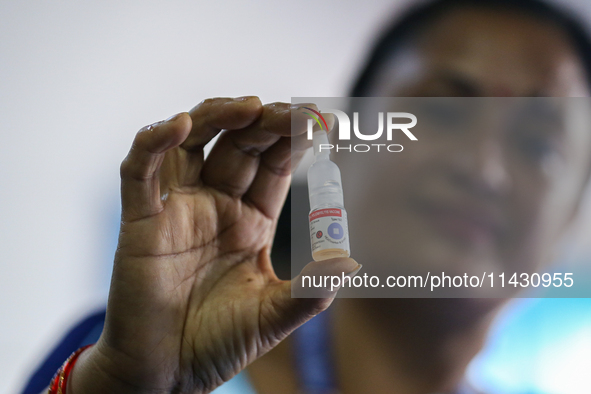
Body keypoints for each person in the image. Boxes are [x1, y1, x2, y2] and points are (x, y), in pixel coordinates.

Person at [22, 0, 591, 393]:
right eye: (440, 110)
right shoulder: (130, 357)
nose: (483, 168)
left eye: (539, 146)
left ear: (573, 219)